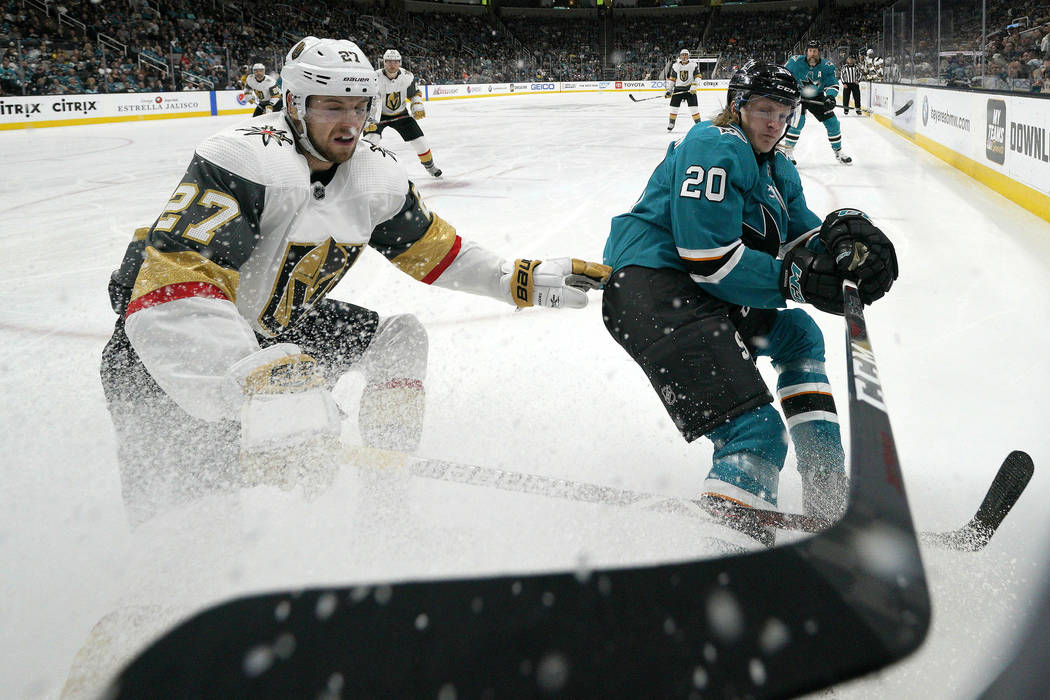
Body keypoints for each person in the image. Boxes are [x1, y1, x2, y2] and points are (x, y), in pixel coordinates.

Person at [100, 36, 611, 526]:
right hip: (163, 357)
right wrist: (257, 386)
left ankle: (384, 509)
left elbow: (437, 253)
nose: (350, 124)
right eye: (331, 107)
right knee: (189, 551)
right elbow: (172, 289)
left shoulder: (374, 174)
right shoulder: (245, 158)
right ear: (294, 104)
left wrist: (513, 279)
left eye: (359, 106)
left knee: (397, 340)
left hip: (275, 338)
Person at [600, 61, 898, 543]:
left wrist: (847, 247)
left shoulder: (778, 167)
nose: (774, 124)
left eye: (784, 113)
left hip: (700, 298)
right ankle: (731, 570)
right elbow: (708, 259)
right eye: (763, 110)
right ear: (737, 106)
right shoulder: (711, 145)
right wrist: (798, 282)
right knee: (756, 433)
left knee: (800, 333)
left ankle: (825, 491)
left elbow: (804, 238)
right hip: (654, 293)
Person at [363, 49, 441, 177]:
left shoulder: (407, 76)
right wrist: (368, 120)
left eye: (395, 62)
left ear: (399, 62)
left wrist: (417, 104)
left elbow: (414, 93)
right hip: (377, 115)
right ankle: (365, 171)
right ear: (384, 62)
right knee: (370, 140)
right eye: (389, 62)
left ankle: (430, 167)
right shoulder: (374, 78)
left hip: (401, 114)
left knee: (420, 141)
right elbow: (367, 100)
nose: (392, 65)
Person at [782, 41, 851, 164]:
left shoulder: (827, 66)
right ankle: (788, 152)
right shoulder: (795, 61)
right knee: (798, 122)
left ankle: (838, 152)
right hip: (798, 96)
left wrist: (830, 97)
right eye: (810, 51)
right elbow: (784, 76)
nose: (812, 54)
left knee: (833, 123)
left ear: (819, 52)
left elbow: (832, 84)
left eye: (815, 51)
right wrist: (788, 91)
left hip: (817, 96)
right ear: (806, 52)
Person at [664, 48, 702, 132]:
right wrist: (669, 91)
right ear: (680, 56)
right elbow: (672, 79)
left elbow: (698, 77)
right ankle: (671, 123)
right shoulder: (675, 65)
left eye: (686, 55)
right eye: (683, 55)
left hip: (690, 89)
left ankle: (699, 125)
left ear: (688, 56)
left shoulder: (694, 65)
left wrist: (694, 87)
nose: (684, 56)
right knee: (674, 108)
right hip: (678, 89)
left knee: (694, 108)